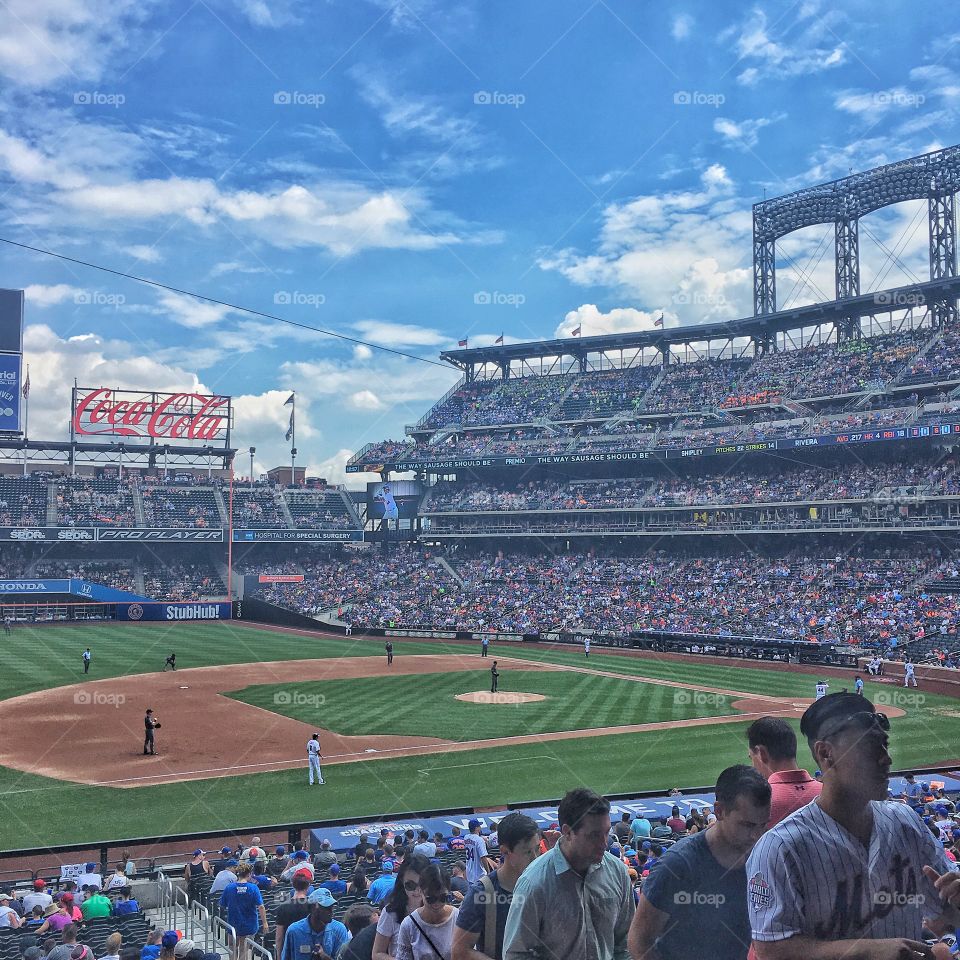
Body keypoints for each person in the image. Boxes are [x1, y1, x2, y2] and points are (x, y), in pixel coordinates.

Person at [747, 691, 960, 958]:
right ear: (826, 753)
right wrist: (865, 951)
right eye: (871, 747)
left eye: (885, 745)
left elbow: (946, 915)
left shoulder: (906, 821)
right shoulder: (778, 847)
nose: (886, 758)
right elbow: (770, 950)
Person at [628, 765, 771, 960]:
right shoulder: (678, 865)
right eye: (747, 825)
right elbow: (639, 940)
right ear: (719, 811)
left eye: (763, 825)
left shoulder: (763, 856)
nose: (756, 835)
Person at [503, 787, 635, 960]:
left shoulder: (617, 872)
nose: (604, 843)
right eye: (594, 835)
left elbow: (624, 943)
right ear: (567, 832)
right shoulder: (534, 883)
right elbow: (516, 954)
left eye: (606, 832)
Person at [452, 812, 539, 960]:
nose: (535, 858)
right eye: (528, 852)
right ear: (505, 851)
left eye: (537, 849)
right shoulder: (481, 893)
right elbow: (459, 951)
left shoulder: (542, 881)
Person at [746, 716, 822, 830]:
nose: (753, 766)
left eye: (751, 758)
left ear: (762, 753)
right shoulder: (828, 792)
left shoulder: (755, 803)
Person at [373, 853, 431, 960]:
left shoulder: (437, 907)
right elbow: (377, 954)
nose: (417, 891)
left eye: (422, 884)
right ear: (401, 882)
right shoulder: (390, 912)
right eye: (410, 885)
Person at [395, 864, 458, 960]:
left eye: (443, 898)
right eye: (431, 899)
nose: (437, 904)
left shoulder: (458, 918)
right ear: (420, 891)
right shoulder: (409, 924)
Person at [281, 890, 349, 960]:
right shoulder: (294, 931)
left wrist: (325, 957)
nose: (331, 911)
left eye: (332, 907)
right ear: (313, 908)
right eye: (327, 908)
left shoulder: (339, 929)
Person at [219, 863, 268, 952]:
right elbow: (261, 906)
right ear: (249, 874)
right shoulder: (253, 888)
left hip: (233, 923)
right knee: (244, 950)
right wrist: (265, 923)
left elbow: (223, 905)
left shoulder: (229, 887)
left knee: (232, 948)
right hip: (250, 925)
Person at [274, 874, 311, 960]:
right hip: (308, 949)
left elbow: (279, 936)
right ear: (308, 886)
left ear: (293, 886)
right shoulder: (313, 906)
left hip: (288, 949)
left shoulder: (283, 907)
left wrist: (279, 956)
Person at [464, 820, 494, 886]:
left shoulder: (466, 837)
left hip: (469, 874)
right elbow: (483, 857)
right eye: (479, 826)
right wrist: (488, 872)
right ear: (476, 828)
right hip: (479, 875)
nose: (480, 827)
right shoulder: (479, 840)